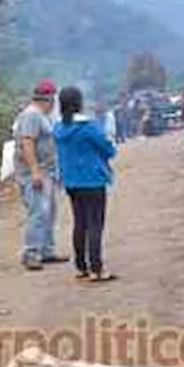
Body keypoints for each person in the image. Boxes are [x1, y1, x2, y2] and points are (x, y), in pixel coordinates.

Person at [53, 85, 117, 283]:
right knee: (95, 223)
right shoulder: (89, 126)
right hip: (93, 180)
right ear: (79, 103)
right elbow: (108, 149)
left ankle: (81, 267)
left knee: (80, 223)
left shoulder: (58, 128)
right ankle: (97, 268)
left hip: (71, 182)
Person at [13, 78, 68, 271]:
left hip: (47, 171)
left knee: (49, 212)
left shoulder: (42, 116)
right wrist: (35, 171)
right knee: (38, 212)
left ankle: (46, 250)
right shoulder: (32, 115)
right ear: (50, 98)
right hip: (35, 173)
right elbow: (27, 142)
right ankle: (31, 252)